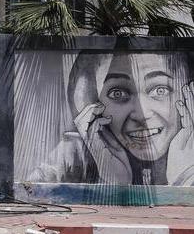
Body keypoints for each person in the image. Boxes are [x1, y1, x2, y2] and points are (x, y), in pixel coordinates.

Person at [29, 51, 194, 186]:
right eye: (117, 93)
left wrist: (186, 176)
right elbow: (25, 199)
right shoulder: (74, 154)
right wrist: (112, 183)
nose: (141, 115)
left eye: (160, 90)